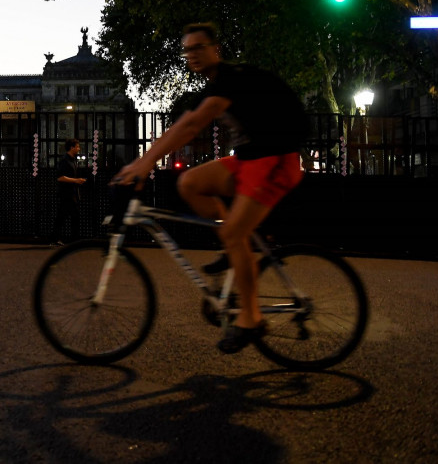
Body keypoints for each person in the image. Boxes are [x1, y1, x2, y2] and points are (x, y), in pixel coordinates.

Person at [114, 23, 306, 354]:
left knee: (233, 233)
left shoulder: (231, 77)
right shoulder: (214, 84)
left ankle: (251, 319)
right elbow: (185, 122)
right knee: (189, 183)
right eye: (188, 49)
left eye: (200, 47)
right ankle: (234, 246)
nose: (193, 54)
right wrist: (146, 160)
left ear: (216, 48)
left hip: (277, 158)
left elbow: (191, 125)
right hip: (249, 159)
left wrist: (144, 162)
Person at [55, 138, 87, 244]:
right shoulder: (65, 160)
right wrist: (76, 180)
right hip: (66, 193)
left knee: (63, 216)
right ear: (72, 147)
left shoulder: (73, 160)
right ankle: (74, 240)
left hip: (71, 192)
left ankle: (56, 238)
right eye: (77, 146)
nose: (79, 149)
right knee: (73, 216)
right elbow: (60, 177)